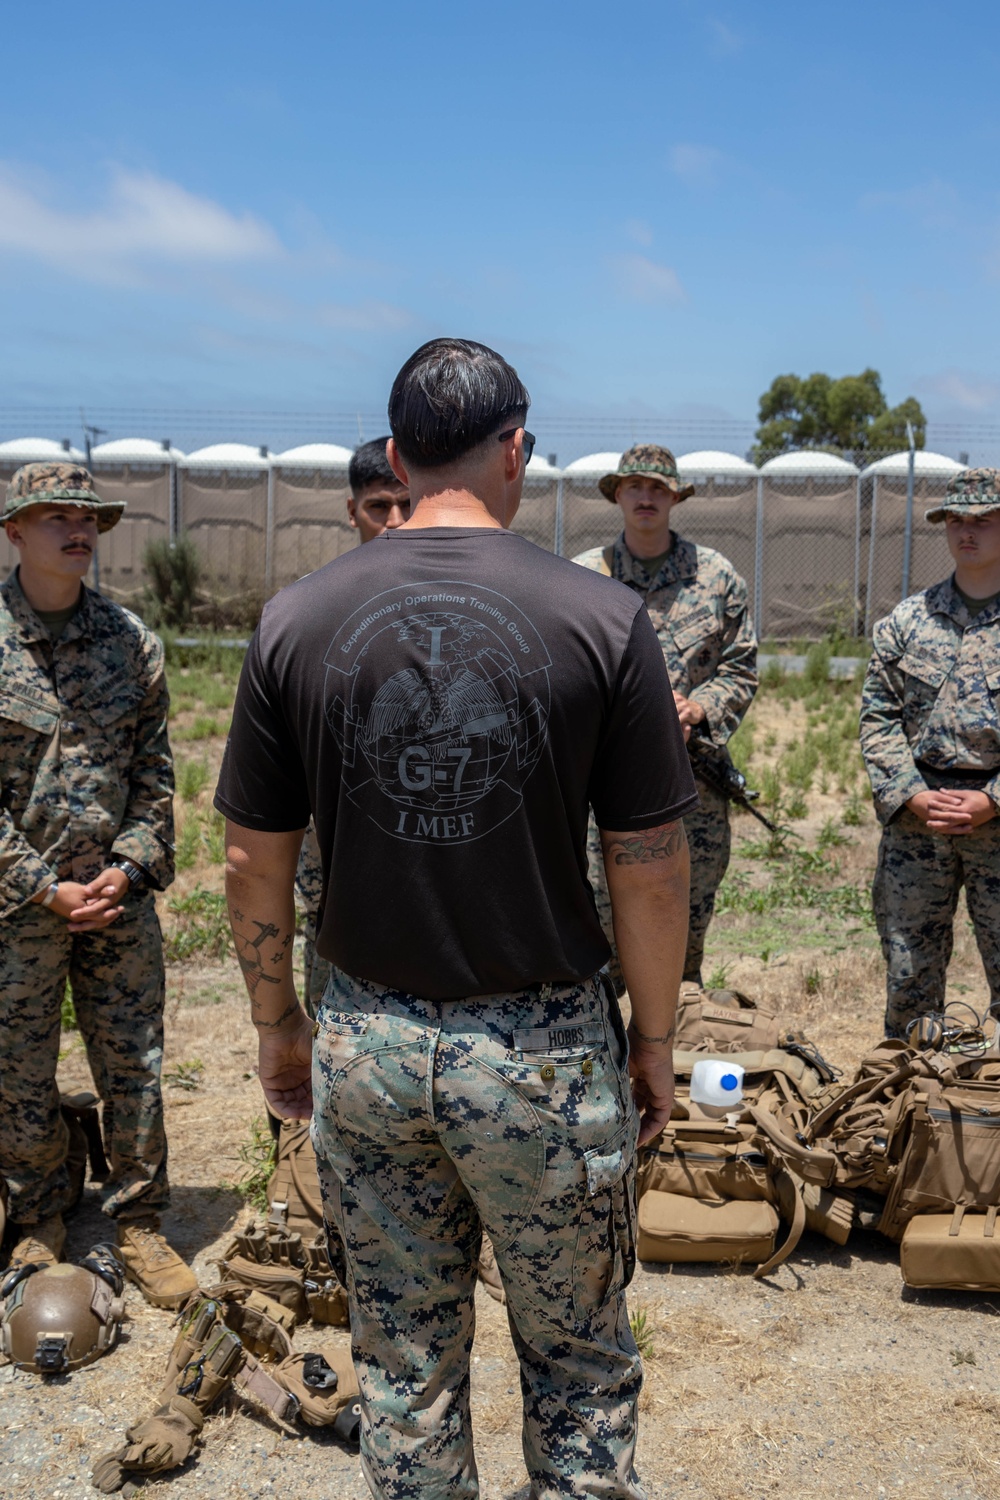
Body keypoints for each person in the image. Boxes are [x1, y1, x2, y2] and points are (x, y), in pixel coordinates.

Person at [215, 338, 697, 1499]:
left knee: (405, 1367)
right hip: (536, 1053)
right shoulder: (601, 620)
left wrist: (279, 1026)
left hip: (366, 1042)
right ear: (515, 451)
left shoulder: (296, 619)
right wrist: (653, 1042)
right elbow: (648, 867)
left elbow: (248, 857)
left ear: (394, 454)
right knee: (577, 1363)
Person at [0, 462, 196, 1309]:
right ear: (14, 530)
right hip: (18, 908)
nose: (77, 530)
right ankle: (40, 1213)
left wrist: (126, 868)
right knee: (17, 1065)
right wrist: (43, 887)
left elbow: (156, 775)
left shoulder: (131, 642)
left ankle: (141, 1221)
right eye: (55, 516)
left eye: (88, 517)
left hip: (116, 901)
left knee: (134, 1064)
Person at [573, 444, 757, 987]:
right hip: (603, 784)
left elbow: (741, 668)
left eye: (657, 488)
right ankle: (607, 1057)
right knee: (599, 935)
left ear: (675, 496)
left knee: (684, 927)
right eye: (635, 486)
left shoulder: (716, 577)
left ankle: (671, 1058)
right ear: (617, 495)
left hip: (691, 784)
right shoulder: (584, 576)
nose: (646, 497)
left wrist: (700, 708)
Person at [860, 467, 1000, 1038]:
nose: (967, 532)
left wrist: (991, 801)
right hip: (920, 823)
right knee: (910, 978)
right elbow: (878, 717)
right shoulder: (907, 622)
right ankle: (909, 1107)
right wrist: (913, 796)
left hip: (998, 816)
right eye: (956, 520)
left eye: (983, 520)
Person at [295, 438, 411, 1016]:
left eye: (406, 505)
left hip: (428, 839)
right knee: (331, 1004)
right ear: (351, 512)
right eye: (377, 508)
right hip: (336, 855)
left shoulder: (452, 603)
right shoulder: (315, 608)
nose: (393, 522)